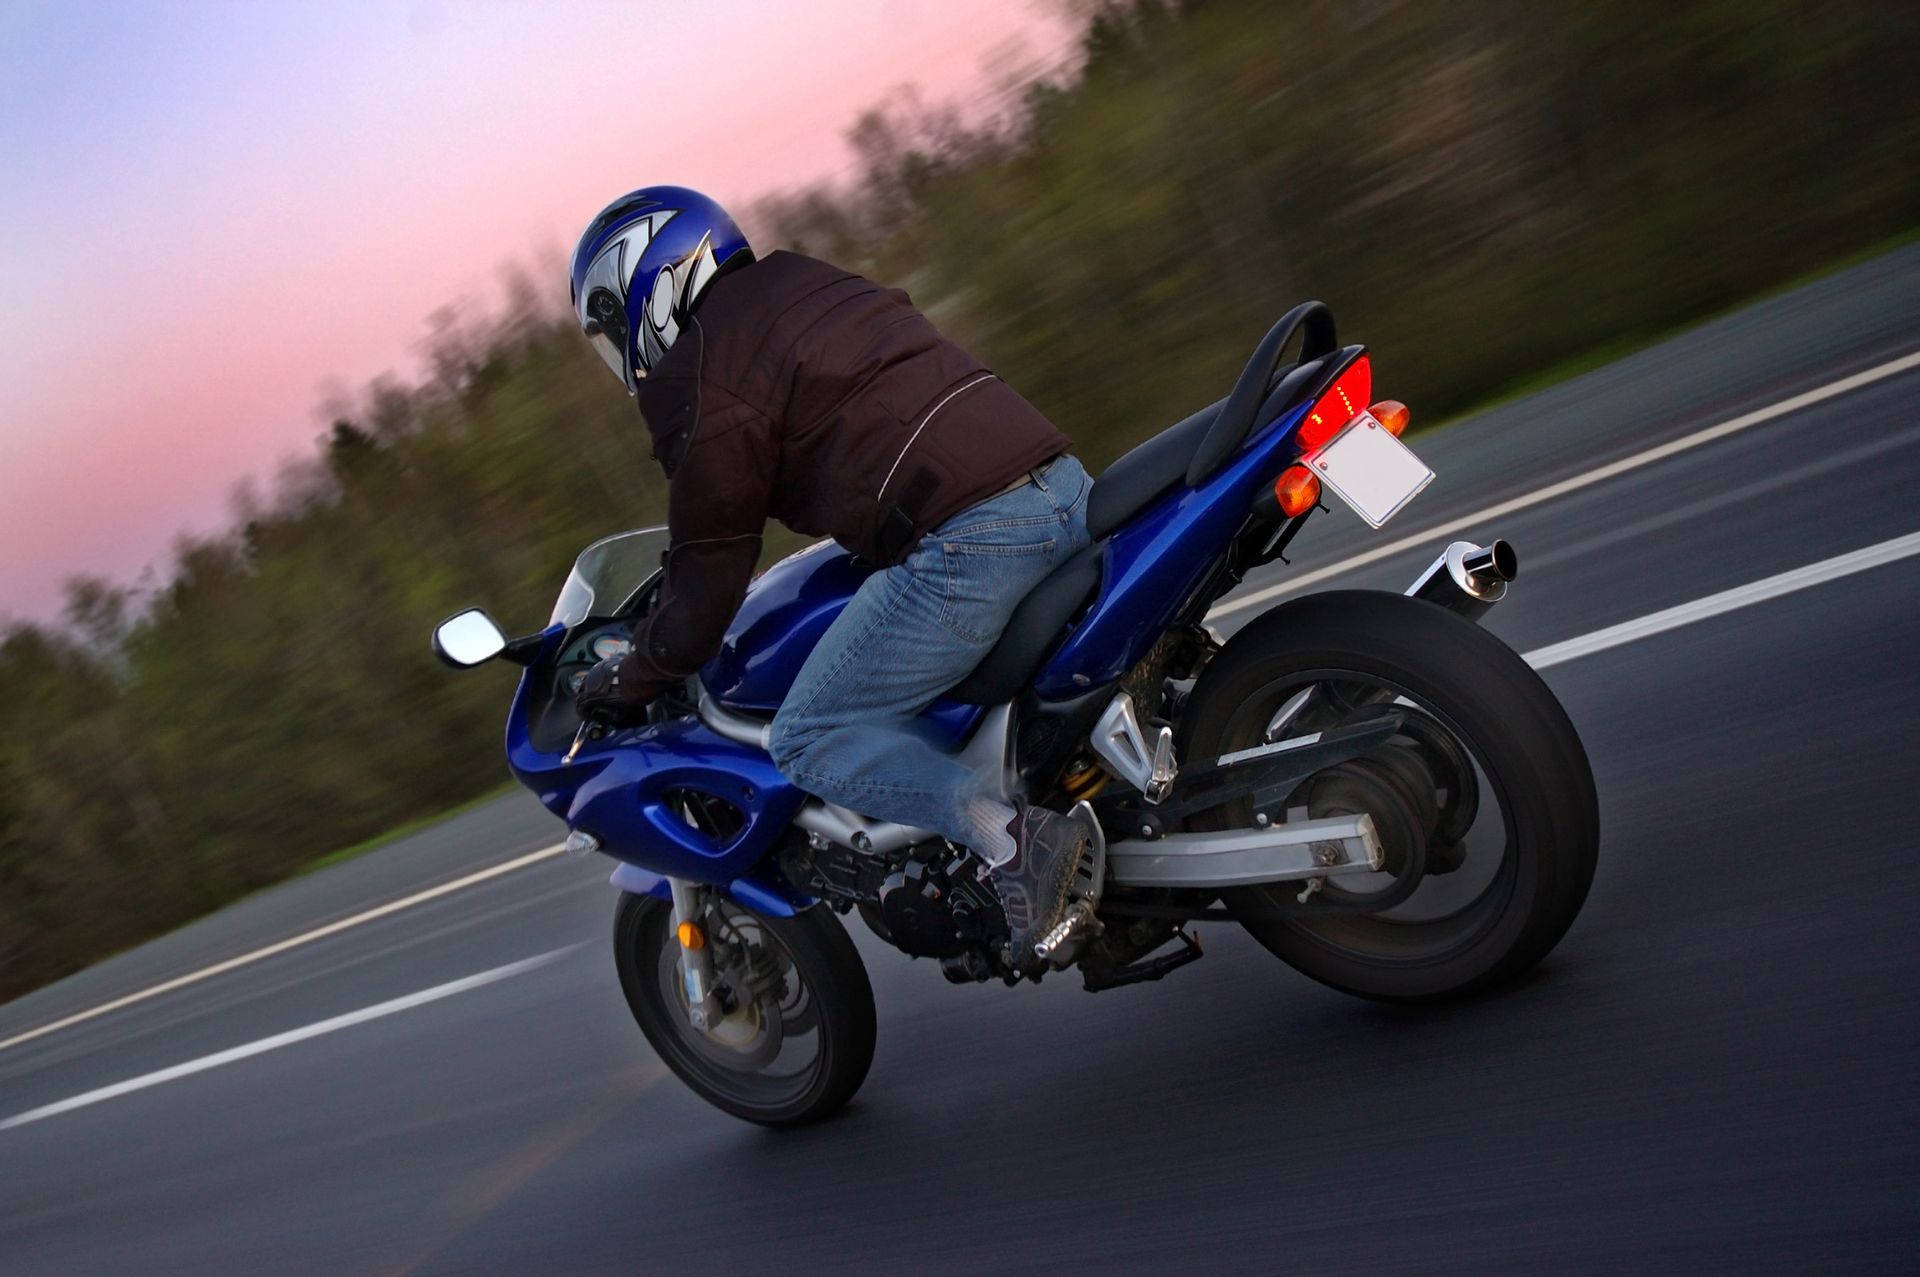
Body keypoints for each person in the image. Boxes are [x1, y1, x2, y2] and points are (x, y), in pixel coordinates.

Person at [567, 185, 1092, 966]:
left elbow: (710, 562)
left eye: (612, 329)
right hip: (1059, 485)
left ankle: (1014, 842)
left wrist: (637, 673)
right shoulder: (802, 280)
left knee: (809, 735)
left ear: (650, 289)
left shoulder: (706, 370)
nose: (622, 354)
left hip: (973, 540)